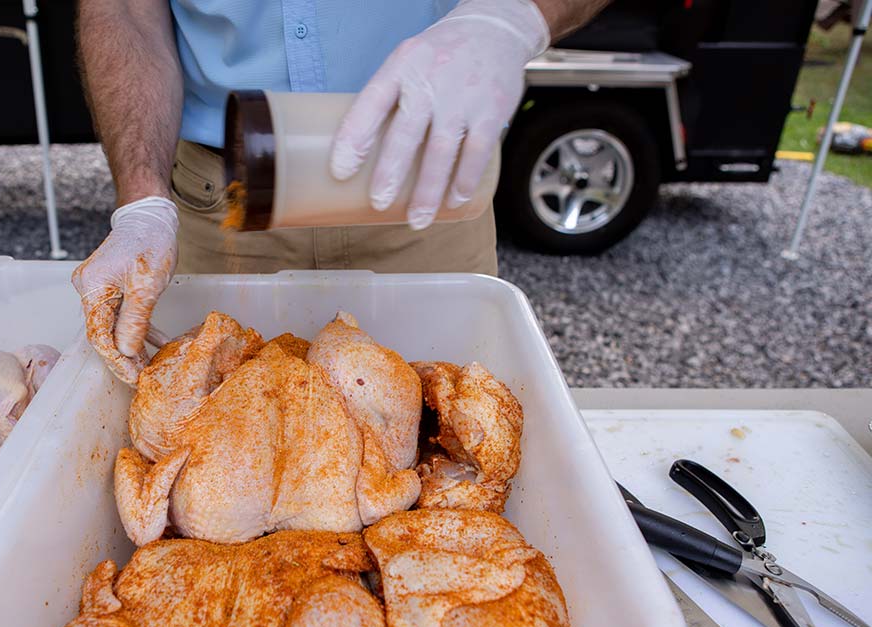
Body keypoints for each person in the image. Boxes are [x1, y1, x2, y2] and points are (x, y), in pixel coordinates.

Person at [72, 0, 610, 384]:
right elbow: (122, 9)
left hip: (429, 182)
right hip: (225, 202)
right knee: (209, 416)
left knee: (453, 409)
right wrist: (143, 204)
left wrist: (515, 17)